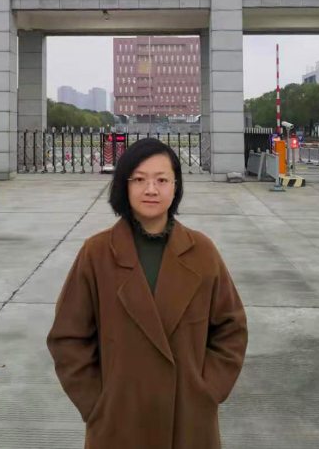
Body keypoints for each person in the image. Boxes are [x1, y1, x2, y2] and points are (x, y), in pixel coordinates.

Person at [47, 138, 248, 449]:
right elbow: (68, 337)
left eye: (162, 180)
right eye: (139, 179)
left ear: (176, 187)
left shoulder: (202, 252)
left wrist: (207, 391)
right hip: (118, 422)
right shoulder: (97, 253)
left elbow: (231, 329)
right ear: (124, 186)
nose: (151, 189)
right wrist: (98, 404)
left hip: (188, 420)